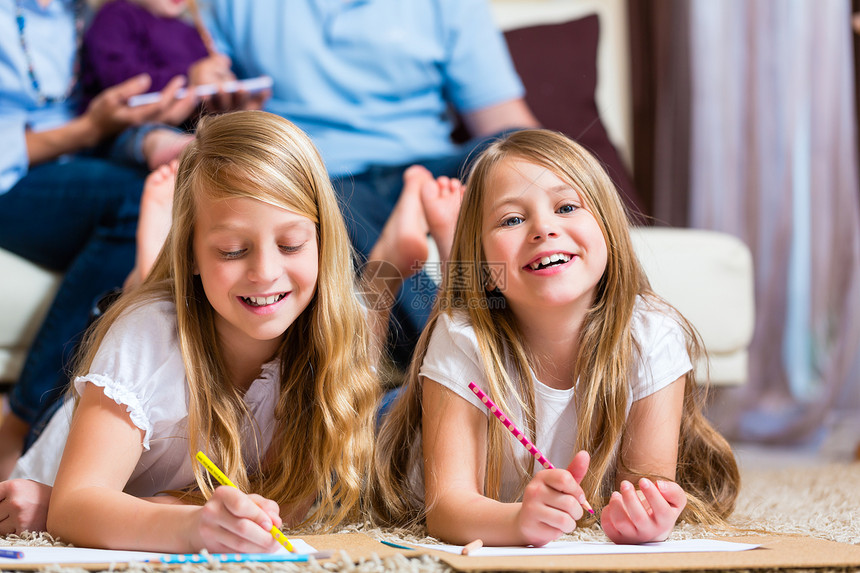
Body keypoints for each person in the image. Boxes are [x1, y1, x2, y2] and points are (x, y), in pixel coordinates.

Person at [0, 110, 450, 544]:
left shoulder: (326, 332)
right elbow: (73, 507)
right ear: (192, 253)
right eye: (233, 250)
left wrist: (185, 508)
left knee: (355, 336)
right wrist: (190, 525)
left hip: (168, 493)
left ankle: (386, 268)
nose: (265, 271)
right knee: (140, 309)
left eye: (291, 245)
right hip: (48, 481)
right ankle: (148, 261)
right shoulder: (148, 334)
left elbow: (284, 503)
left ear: (321, 241)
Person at [371, 129, 741, 546]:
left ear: (610, 230)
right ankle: (388, 263)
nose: (544, 228)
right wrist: (515, 523)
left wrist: (643, 517)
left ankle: (453, 242)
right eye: (512, 219)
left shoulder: (652, 332)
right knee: (346, 410)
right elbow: (447, 509)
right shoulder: (461, 338)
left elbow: (645, 489)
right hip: (402, 418)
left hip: (475, 315)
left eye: (566, 207)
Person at [200, 0, 541, 367]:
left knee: (517, 148)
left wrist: (542, 169)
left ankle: (434, 281)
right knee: (327, 209)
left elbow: (506, 121)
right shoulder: (225, 5)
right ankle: (480, 354)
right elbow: (209, 123)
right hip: (324, 172)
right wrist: (207, 94)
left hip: (431, 171)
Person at [0, 0, 199, 479]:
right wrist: (90, 127)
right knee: (136, 201)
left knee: (179, 183)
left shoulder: (81, 15)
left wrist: (150, 130)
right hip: (14, 177)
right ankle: (23, 421)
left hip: (80, 168)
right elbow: (92, 126)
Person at [78, 0, 254, 169]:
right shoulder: (115, 16)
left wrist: (222, 91)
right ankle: (173, 148)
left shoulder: (192, 31)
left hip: (186, 124)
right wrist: (190, 77)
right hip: (121, 127)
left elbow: (203, 88)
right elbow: (118, 78)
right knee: (146, 134)